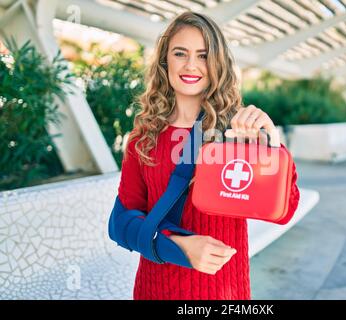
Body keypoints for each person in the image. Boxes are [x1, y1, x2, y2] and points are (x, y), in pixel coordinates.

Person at [118, 11, 300, 300]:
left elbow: (284, 211)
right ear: (165, 61)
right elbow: (121, 222)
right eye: (180, 53)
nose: (191, 65)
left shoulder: (237, 134)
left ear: (217, 63)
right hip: (155, 289)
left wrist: (270, 146)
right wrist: (180, 247)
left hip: (222, 292)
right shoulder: (143, 137)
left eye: (203, 55)